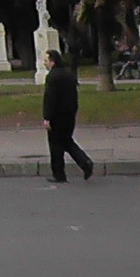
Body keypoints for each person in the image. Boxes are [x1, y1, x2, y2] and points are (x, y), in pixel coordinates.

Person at [42, 49, 94, 183]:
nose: (44, 63)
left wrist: (47, 117)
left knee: (56, 145)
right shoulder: (68, 75)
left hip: (56, 117)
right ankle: (81, 164)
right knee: (65, 141)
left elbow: (50, 99)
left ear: (52, 62)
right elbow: (74, 96)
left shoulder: (52, 77)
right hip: (69, 115)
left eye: (46, 60)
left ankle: (67, 170)